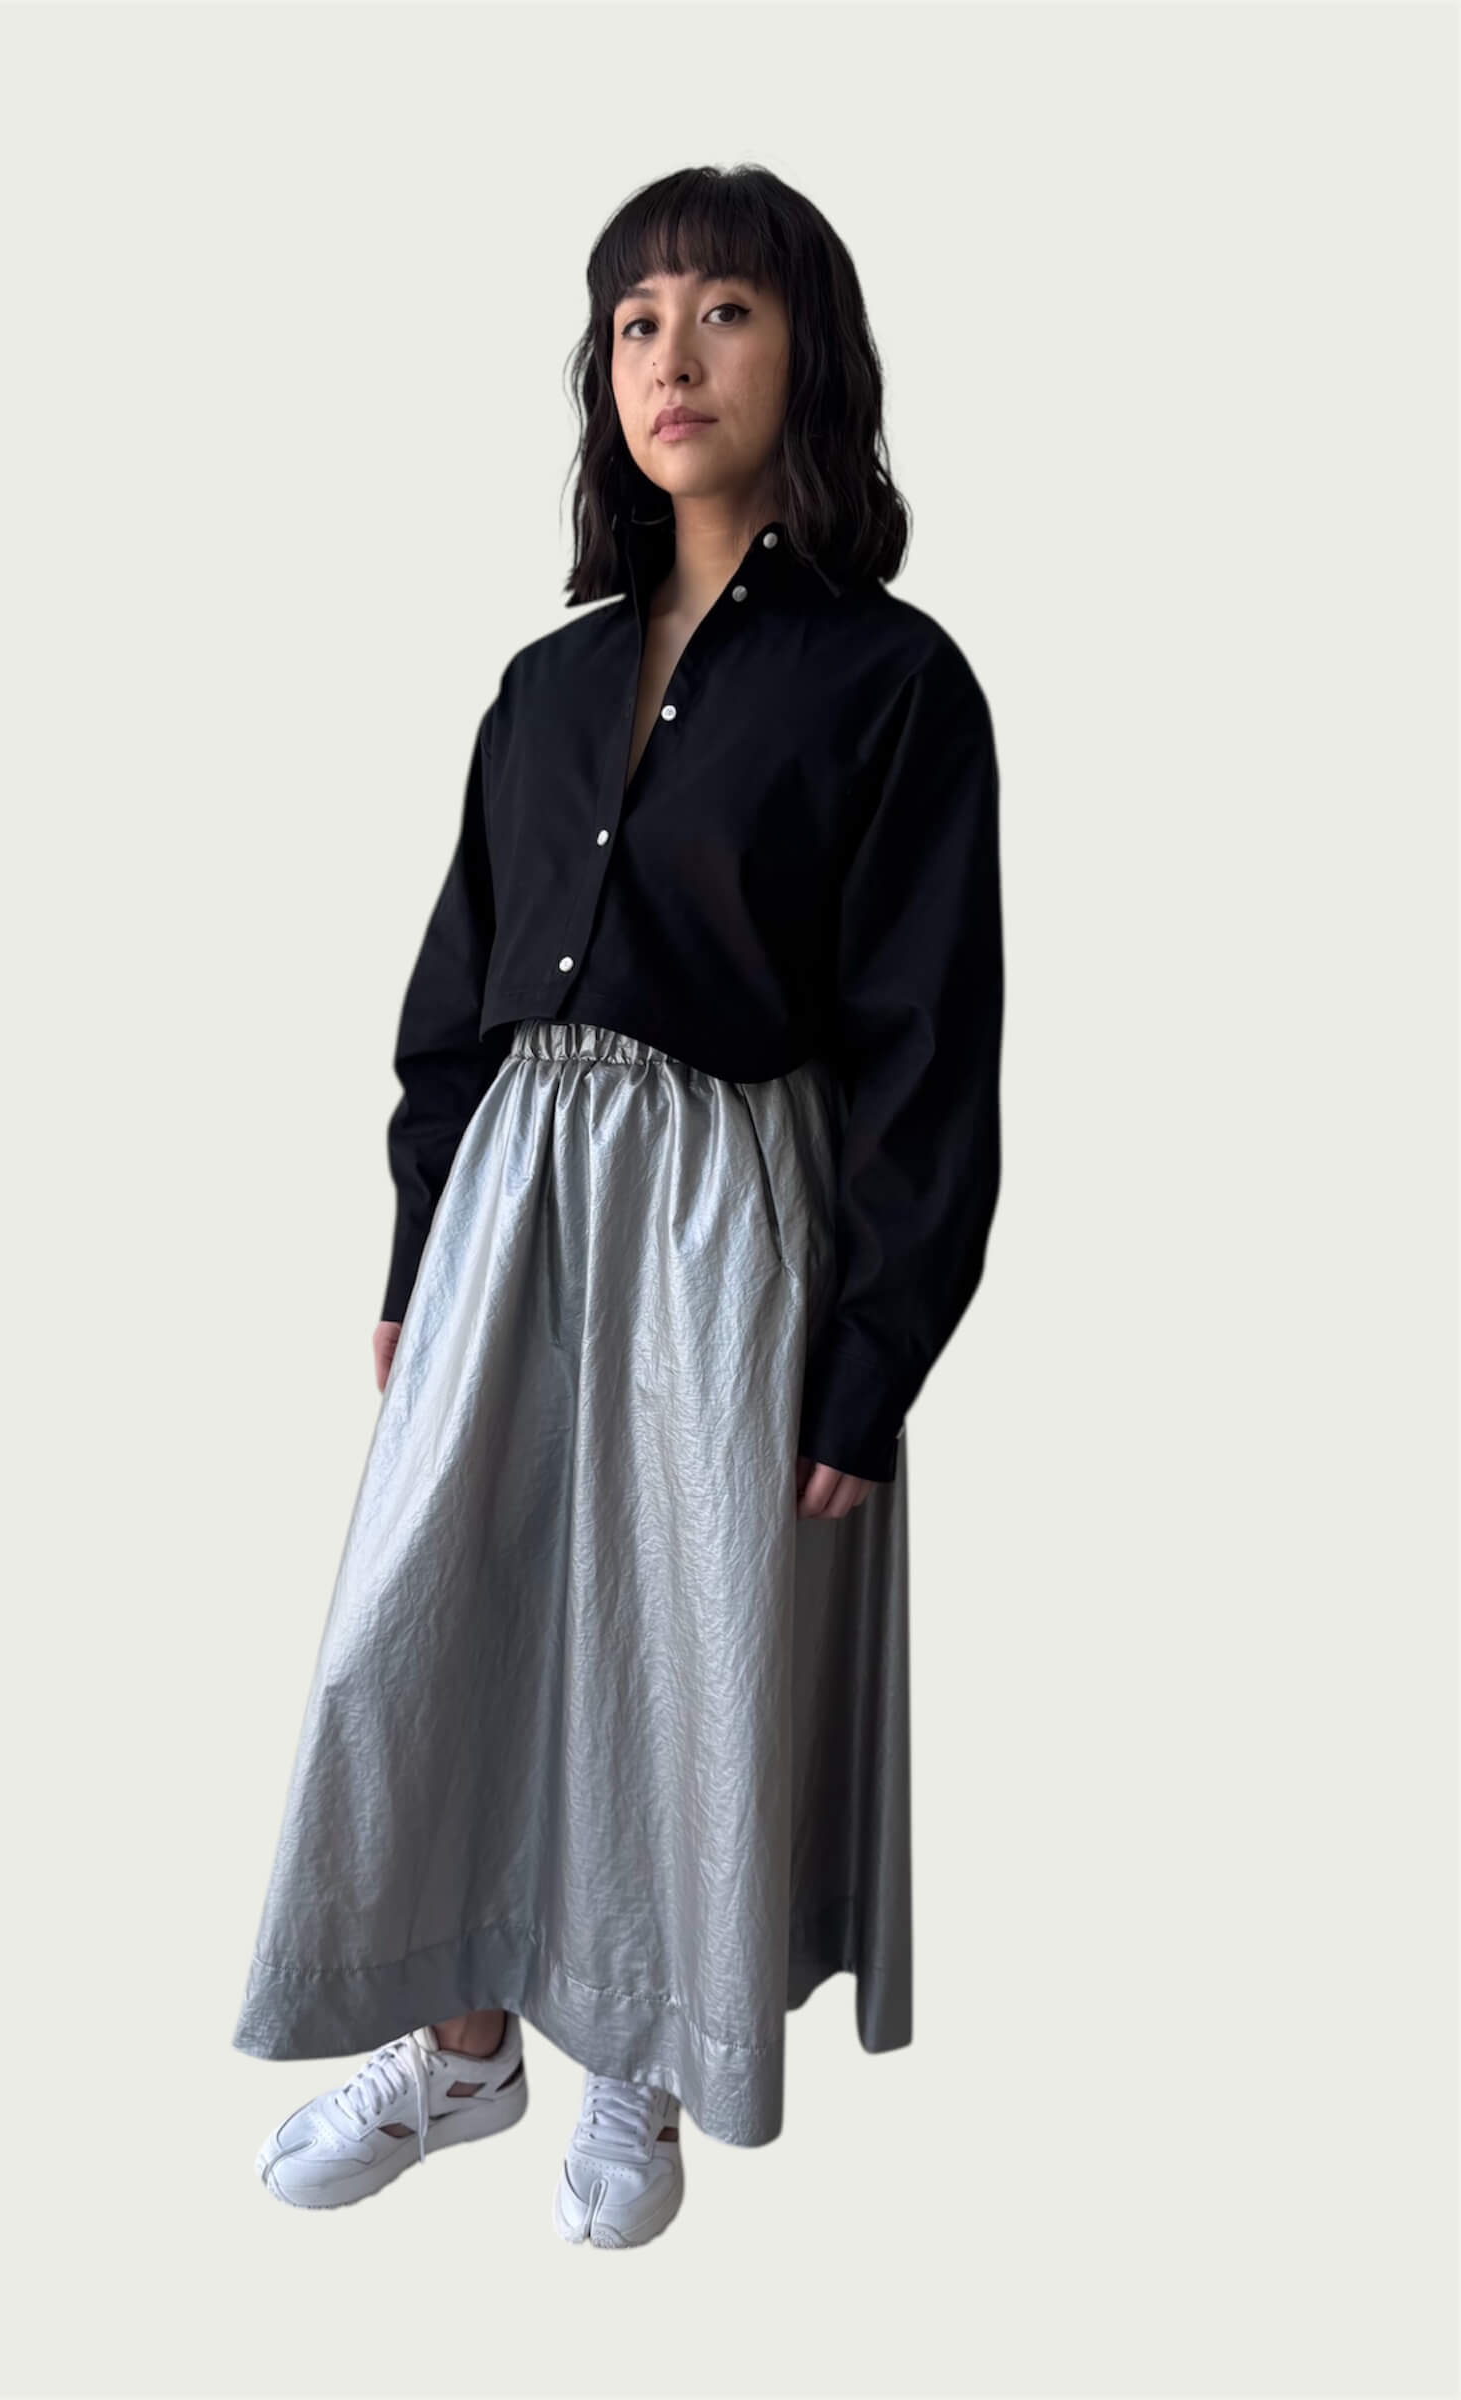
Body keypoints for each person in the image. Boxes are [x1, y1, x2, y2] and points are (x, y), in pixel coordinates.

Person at [232, 161, 1004, 2250]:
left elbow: (931, 1042)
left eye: (724, 311)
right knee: (428, 1626)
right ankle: (463, 2042)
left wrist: (875, 1358)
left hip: (723, 1221)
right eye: (637, 319)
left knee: (682, 1645)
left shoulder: (891, 683)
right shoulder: (545, 685)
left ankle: (643, 2053)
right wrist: (419, 1245)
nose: (674, 356)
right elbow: (452, 995)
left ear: (810, 356)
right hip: (511, 1210)